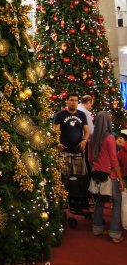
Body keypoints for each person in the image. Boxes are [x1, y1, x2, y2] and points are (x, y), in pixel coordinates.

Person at [88, 111, 124, 242]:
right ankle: (114, 232)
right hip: (110, 174)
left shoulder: (92, 137)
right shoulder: (109, 138)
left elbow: (90, 158)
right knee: (117, 201)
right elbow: (114, 161)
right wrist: (120, 180)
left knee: (100, 200)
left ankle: (97, 228)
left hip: (97, 173)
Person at [53, 92, 89, 175]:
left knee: (79, 178)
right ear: (67, 101)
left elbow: (87, 131)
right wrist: (57, 143)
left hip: (78, 151)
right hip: (64, 151)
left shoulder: (82, 115)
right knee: (65, 177)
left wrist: (84, 140)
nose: (73, 102)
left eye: (76, 100)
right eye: (71, 100)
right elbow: (55, 132)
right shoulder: (59, 115)